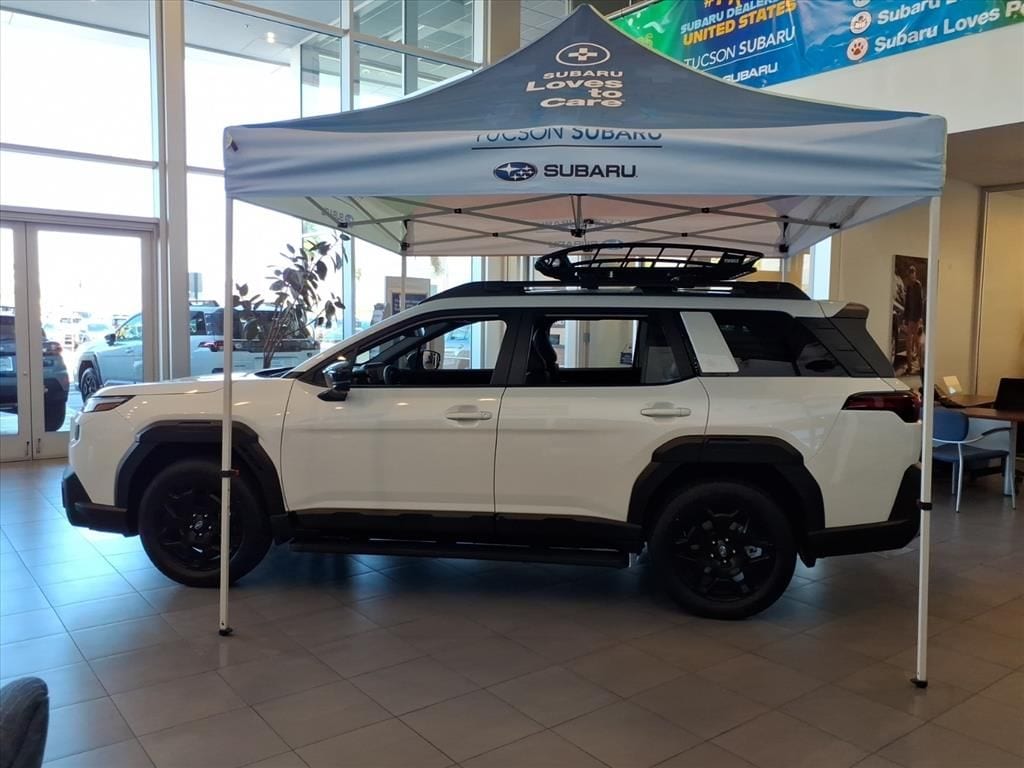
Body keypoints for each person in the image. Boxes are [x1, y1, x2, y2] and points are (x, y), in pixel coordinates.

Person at [902, 265, 924, 375]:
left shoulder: (917, 285)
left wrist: (919, 319)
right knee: (908, 343)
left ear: (914, 274)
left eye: (912, 274)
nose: (911, 277)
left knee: (916, 343)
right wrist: (905, 318)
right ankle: (910, 366)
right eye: (910, 275)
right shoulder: (909, 287)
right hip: (910, 318)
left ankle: (921, 366)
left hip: (915, 318)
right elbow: (907, 304)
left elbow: (920, 303)